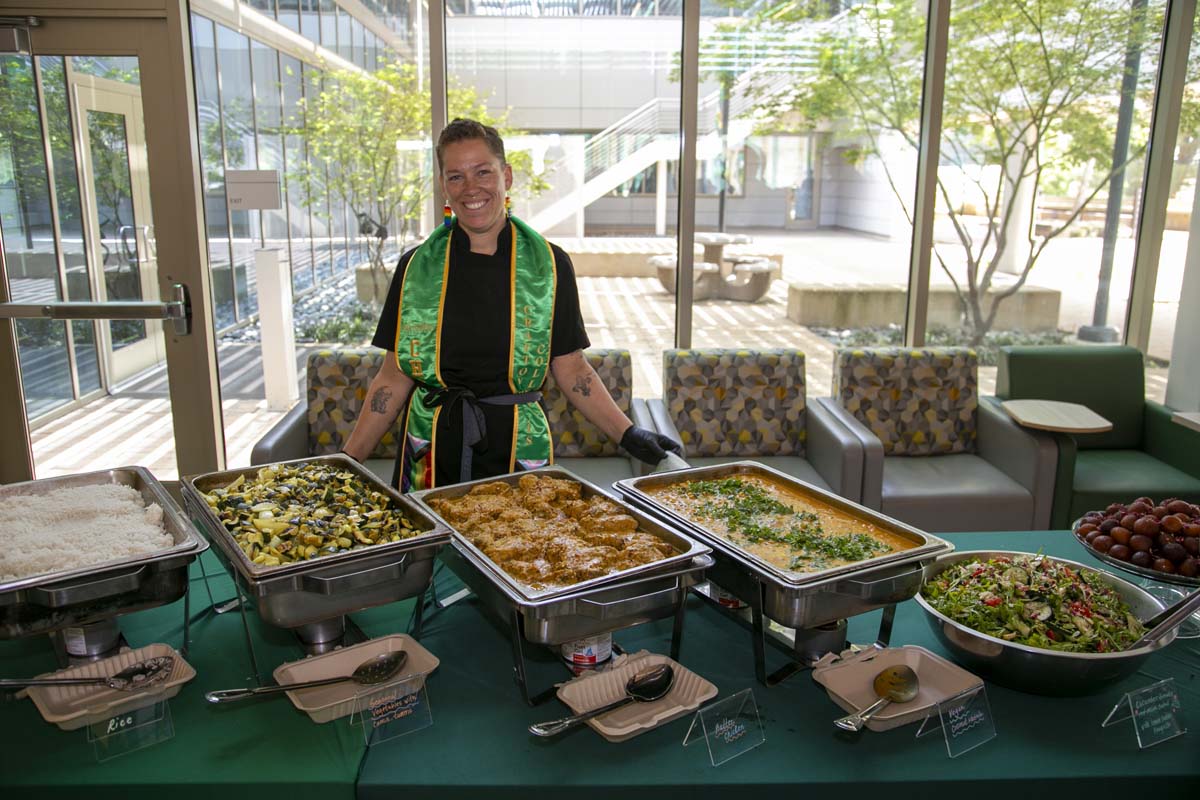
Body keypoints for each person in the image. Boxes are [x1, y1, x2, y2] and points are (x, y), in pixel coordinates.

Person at [342, 118, 681, 491]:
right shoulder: (413, 268)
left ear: (507, 176)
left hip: (518, 445)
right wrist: (346, 464)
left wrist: (628, 433)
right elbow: (394, 376)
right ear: (443, 188)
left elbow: (571, 368)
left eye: (482, 172)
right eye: (456, 176)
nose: (471, 188)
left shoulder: (550, 265)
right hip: (433, 448)